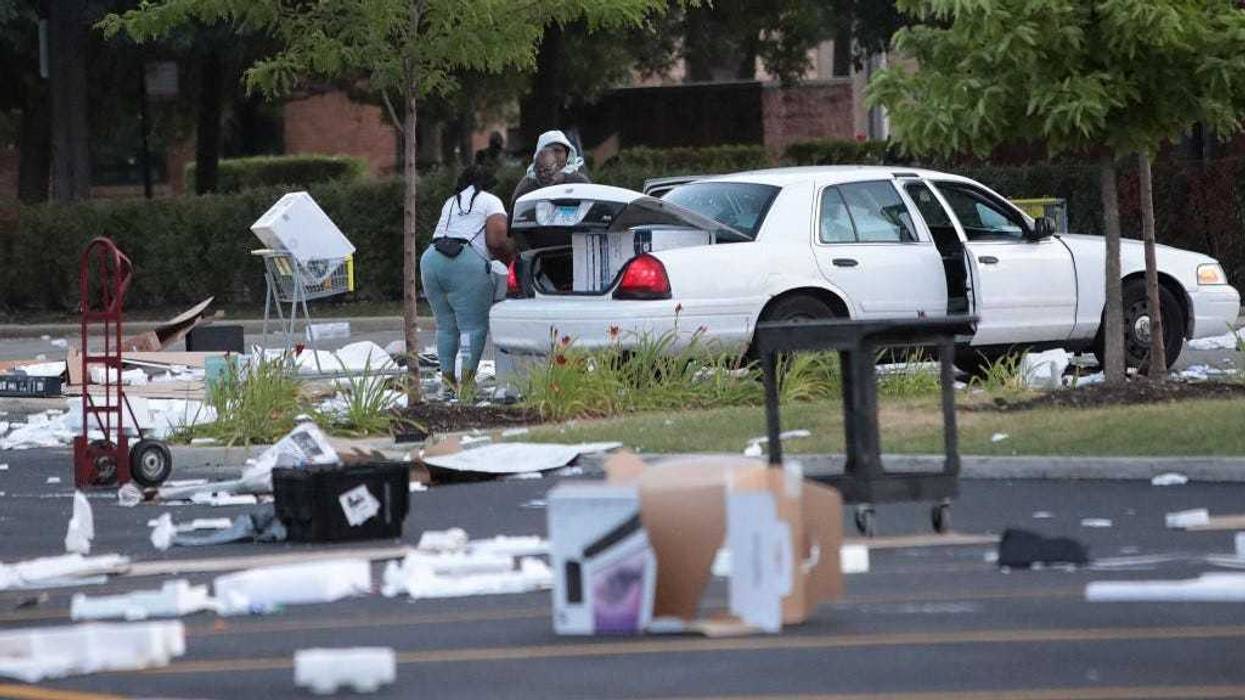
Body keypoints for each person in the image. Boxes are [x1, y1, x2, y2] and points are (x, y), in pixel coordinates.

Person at [420, 166, 514, 397]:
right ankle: (468, 385)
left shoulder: (450, 201)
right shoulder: (490, 200)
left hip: (431, 259)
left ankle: (448, 383)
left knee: (445, 326)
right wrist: (511, 260)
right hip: (466, 262)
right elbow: (498, 237)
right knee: (473, 327)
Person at [510, 129, 591, 209]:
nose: (552, 155)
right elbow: (514, 215)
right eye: (548, 151)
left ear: (567, 155)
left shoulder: (579, 181)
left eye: (557, 151)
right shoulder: (527, 183)